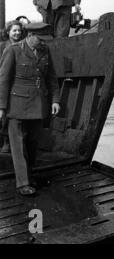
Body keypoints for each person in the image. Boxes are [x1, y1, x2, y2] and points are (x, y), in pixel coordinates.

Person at [0, 22, 61, 196]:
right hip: (17, 106)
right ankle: (23, 183)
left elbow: (51, 78)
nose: (42, 42)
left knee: (32, 144)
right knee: (18, 146)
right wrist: (1, 107)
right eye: (40, 39)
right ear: (30, 35)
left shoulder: (44, 50)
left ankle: (29, 175)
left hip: (38, 106)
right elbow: (3, 80)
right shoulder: (13, 50)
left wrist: (55, 100)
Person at [0, 20, 24, 153]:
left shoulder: (23, 46)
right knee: (3, 113)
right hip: (4, 82)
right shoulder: (2, 46)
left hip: (16, 84)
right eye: (14, 30)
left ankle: (10, 141)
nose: (17, 33)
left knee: (13, 114)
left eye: (19, 31)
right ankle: (4, 141)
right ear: (8, 32)